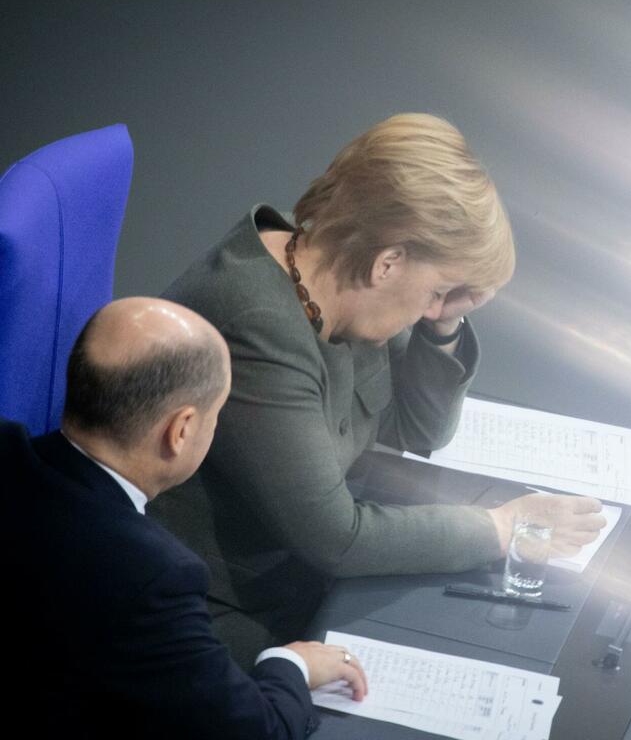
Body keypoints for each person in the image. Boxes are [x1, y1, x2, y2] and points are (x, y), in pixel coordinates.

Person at [151, 113, 606, 669]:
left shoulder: (335, 264)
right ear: (389, 263)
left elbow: (419, 430)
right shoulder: (256, 325)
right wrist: (502, 529)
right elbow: (337, 539)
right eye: (437, 290)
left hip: (298, 571)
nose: (432, 307)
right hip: (220, 605)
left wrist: (443, 323)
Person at [0, 297, 367, 738]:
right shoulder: (150, 575)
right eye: (217, 413)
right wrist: (292, 665)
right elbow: (254, 731)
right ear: (181, 430)